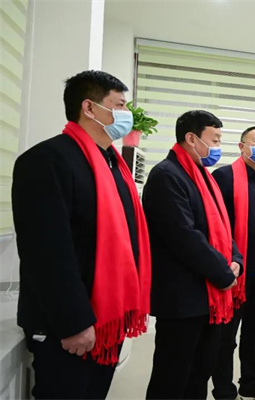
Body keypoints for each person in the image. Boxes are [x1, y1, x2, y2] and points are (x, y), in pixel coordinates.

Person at [12, 70, 151, 399]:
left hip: (107, 321)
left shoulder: (113, 165)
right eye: (119, 105)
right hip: (70, 325)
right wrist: (73, 322)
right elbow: (46, 253)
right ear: (89, 108)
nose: (126, 114)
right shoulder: (47, 160)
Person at [143, 110, 244, 400]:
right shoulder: (167, 175)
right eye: (215, 140)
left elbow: (222, 225)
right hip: (182, 298)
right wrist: (223, 273)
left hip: (208, 298)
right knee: (172, 377)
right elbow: (184, 236)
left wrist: (235, 259)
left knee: (199, 373)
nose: (218, 147)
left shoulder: (202, 176)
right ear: (191, 138)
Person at [211, 126, 255, 400]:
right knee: (226, 337)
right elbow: (216, 224)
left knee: (254, 332)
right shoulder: (224, 177)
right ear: (242, 146)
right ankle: (224, 389)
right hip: (234, 274)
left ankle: (250, 383)